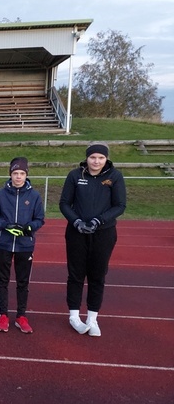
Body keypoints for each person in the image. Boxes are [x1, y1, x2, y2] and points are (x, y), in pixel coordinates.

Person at [59, 142, 126, 337]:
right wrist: (77, 221)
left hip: (104, 233)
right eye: (93, 157)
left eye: (101, 158)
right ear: (87, 158)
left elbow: (120, 205)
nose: (96, 161)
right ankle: (74, 316)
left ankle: (92, 318)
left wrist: (98, 220)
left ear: (106, 159)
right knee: (76, 274)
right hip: (76, 233)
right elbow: (64, 203)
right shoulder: (75, 175)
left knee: (97, 275)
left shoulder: (115, 176)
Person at [0, 157, 45, 334]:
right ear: (10, 174)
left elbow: (39, 219)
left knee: (23, 282)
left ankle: (21, 316)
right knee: (2, 281)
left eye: (22, 173)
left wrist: (29, 228)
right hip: (4, 244)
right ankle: (3, 314)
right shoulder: (0, 195)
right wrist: (5, 225)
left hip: (25, 245)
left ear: (26, 175)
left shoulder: (34, 196)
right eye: (15, 173)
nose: (18, 177)